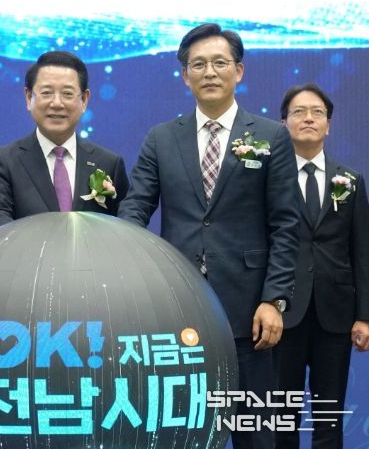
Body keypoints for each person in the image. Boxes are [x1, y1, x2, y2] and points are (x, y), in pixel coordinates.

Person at [118, 23, 299, 447]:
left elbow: (286, 225)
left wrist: (275, 299)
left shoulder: (271, 136)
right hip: (178, 308)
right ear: (185, 76)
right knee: (184, 430)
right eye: (198, 65)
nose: (210, 72)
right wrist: (120, 253)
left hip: (250, 312)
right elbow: (136, 206)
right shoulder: (162, 138)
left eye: (220, 62)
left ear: (239, 71)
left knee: (254, 433)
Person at [275, 84, 369, 448]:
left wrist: (364, 316)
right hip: (283, 312)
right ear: (284, 123)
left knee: (329, 418)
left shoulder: (350, 181)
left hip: (336, 315)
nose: (308, 118)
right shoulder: (269, 179)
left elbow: (361, 252)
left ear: (328, 125)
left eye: (317, 112)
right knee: (282, 418)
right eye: (298, 112)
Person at [0, 51, 129, 229]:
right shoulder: (3, 162)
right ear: (29, 98)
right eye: (47, 93)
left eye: (67, 94)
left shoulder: (109, 163)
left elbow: (122, 230)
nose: (57, 103)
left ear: (84, 100)